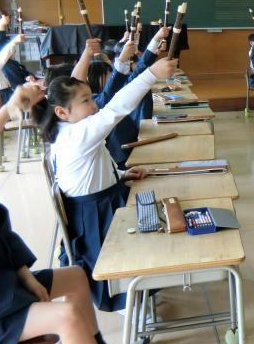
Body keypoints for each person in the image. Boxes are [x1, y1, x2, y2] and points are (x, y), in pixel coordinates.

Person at [0, 85, 162, 344]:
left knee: (77, 277)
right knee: (65, 316)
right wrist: (8, 111)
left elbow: (5, 238)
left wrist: (26, 276)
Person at [37, 56, 178, 312]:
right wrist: (150, 74)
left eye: (91, 98)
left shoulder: (71, 131)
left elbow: (92, 168)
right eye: (85, 101)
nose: (94, 105)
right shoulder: (76, 135)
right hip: (96, 215)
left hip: (99, 203)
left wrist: (121, 174)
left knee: (154, 213)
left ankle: (140, 291)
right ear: (62, 112)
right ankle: (130, 304)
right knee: (140, 242)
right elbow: (115, 109)